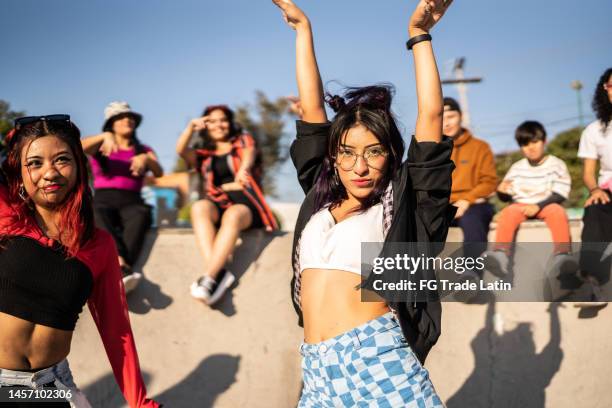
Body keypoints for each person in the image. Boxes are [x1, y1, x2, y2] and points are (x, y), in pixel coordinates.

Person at [273, 0, 455, 406]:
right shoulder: (319, 199)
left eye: (374, 152)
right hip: (317, 371)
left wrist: (419, 34)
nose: (360, 166)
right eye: (348, 153)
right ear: (333, 157)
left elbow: (430, 115)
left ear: (391, 155)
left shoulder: (402, 203)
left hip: (378, 360)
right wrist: (303, 29)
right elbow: (311, 109)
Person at [0, 115, 160, 407]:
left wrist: (139, 402)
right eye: (34, 163)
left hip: (55, 385)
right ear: (18, 172)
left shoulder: (98, 243)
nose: (49, 173)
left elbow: (117, 330)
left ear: (78, 166)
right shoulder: (7, 218)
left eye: (62, 159)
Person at [176, 105, 279, 305]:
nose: (218, 125)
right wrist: (190, 127)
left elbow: (249, 153)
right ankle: (216, 274)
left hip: (245, 205)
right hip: (218, 203)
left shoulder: (243, 141)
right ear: (205, 125)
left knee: (233, 213)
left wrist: (243, 169)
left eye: (222, 120)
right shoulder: (204, 155)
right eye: (212, 121)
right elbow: (181, 150)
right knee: (199, 207)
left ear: (230, 123)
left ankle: (209, 277)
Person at [82, 102, 163, 293]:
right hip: (103, 199)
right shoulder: (100, 144)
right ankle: (121, 266)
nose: (127, 119)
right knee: (96, 212)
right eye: (120, 117)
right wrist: (104, 136)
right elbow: (77, 146)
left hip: (133, 200)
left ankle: (118, 270)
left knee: (142, 214)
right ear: (111, 123)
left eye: (130, 117)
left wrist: (147, 159)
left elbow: (158, 172)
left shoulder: (144, 148)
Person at [486, 121, 572, 276]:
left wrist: (538, 206)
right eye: (525, 144)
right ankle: (500, 254)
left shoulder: (556, 164)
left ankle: (562, 256)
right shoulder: (517, 167)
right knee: (509, 212)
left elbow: (560, 193)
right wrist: (501, 191)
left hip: (548, 203)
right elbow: (507, 196)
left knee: (558, 212)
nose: (530, 148)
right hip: (520, 205)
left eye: (534, 142)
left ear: (544, 141)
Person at [443, 97, 497, 260]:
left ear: (461, 116)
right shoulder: (433, 150)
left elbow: (490, 182)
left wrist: (466, 200)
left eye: (451, 116)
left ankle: (471, 273)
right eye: (442, 118)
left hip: (473, 204)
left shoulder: (480, 147)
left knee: (473, 220)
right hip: (442, 206)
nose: (447, 123)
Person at [576, 67, 612, 307]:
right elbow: (589, 173)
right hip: (608, 190)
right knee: (594, 210)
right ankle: (593, 283)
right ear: (605, 90)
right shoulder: (595, 130)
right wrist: (595, 190)